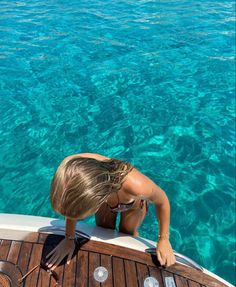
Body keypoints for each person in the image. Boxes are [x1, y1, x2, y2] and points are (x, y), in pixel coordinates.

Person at [46, 152, 176, 269]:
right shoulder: (70, 168)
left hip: (132, 204)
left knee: (127, 233)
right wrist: (69, 238)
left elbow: (162, 201)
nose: (72, 219)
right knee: (104, 230)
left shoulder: (136, 186)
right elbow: (71, 205)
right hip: (105, 195)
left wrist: (163, 238)